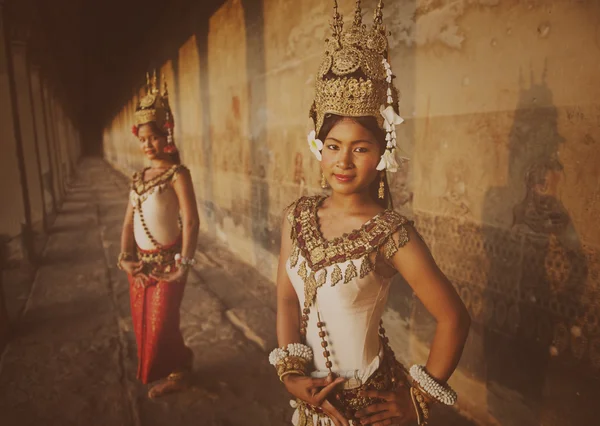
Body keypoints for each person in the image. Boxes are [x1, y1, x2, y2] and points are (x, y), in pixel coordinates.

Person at [270, 2, 471, 425]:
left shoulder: (390, 233)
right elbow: (287, 298)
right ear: (318, 149)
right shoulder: (297, 216)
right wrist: (290, 373)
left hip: (370, 409)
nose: (343, 161)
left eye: (360, 148)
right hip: (310, 403)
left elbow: (453, 317)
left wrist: (418, 399)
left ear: (382, 152)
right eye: (333, 146)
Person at [117, 72, 199, 398]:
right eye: (142, 139)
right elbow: (127, 223)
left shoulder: (177, 174)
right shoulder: (138, 178)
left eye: (153, 138)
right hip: (140, 265)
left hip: (169, 263)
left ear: (167, 135)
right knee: (144, 326)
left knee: (163, 323)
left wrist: (186, 263)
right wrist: (125, 259)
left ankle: (182, 369)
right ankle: (177, 366)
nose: (147, 145)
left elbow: (191, 222)